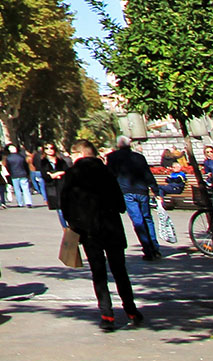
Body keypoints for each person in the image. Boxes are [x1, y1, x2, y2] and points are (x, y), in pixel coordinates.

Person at [59, 139, 141, 331]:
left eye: (73, 155)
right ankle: (131, 310)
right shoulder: (106, 171)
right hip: (111, 227)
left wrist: (75, 224)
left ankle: (107, 315)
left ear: (80, 154)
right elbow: (120, 204)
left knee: (98, 273)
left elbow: (65, 205)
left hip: (88, 232)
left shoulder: (71, 175)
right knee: (120, 271)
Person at [105, 137, 161, 260]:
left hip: (126, 191)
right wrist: (155, 190)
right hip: (142, 191)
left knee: (137, 220)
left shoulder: (112, 157)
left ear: (119, 145)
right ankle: (154, 247)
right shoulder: (139, 157)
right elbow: (147, 174)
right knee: (147, 218)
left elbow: (110, 176)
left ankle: (147, 249)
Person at [37, 143, 70, 227]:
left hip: (62, 186)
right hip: (52, 187)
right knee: (59, 209)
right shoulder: (43, 162)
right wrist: (54, 175)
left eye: (51, 148)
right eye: (47, 148)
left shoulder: (61, 160)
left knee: (66, 208)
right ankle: (65, 228)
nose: (50, 150)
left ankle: (71, 226)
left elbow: (66, 171)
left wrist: (56, 174)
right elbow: (45, 176)